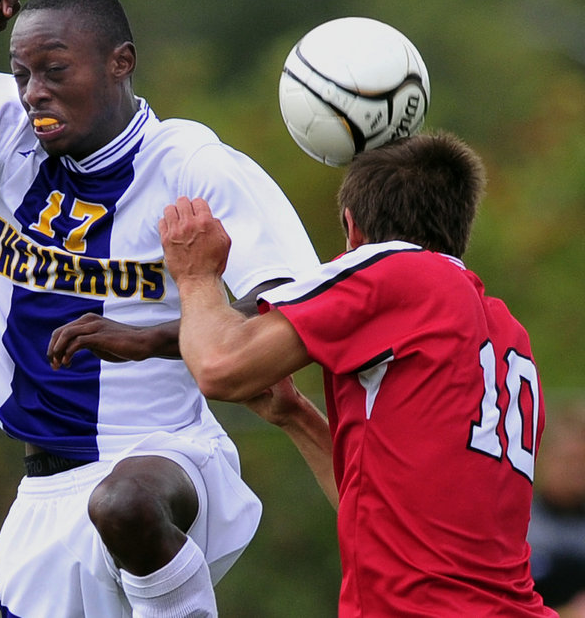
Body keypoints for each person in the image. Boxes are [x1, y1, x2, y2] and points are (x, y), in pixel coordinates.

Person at [0, 0, 321, 618]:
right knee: (104, 508)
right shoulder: (8, 131)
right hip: (46, 493)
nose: (36, 93)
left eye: (56, 71)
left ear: (121, 63)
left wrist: (149, 338)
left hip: (164, 452)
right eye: (22, 74)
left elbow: (298, 317)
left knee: (125, 504)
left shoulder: (192, 167)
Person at [159, 131, 558, 616]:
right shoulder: (504, 329)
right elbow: (385, 511)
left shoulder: (400, 273)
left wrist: (196, 277)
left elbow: (219, 366)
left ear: (353, 231)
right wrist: (297, 418)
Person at [527, 403, 585, 616]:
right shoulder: (520, 528)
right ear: (544, 458)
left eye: (582, 462)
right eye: (570, 461)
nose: (576, 472)